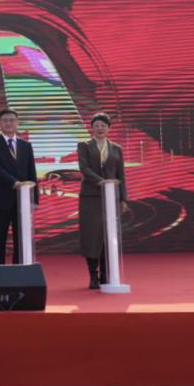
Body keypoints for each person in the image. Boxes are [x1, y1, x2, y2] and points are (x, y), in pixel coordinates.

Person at [77, 112, 130, 289]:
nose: (100, 128)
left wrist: (123, 199)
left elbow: (121, 175)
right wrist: (101, 181)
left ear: (109, 128)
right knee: (92, 236)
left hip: (111, 198)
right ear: (92, 128)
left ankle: (106, 275)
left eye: (103, 125)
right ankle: (93, 276)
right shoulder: (84, 146)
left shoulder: (116, 148)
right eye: (97, 125)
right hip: (90, 198)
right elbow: (84, 168)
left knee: (108, 236)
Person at [0, 108, 39, 265]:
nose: (9, 123)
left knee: (21, 240)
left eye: (12, 120)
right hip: (1, 199)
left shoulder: (25, 145)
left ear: (17, 122)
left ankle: (19, 271)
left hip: (22, 201)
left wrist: (34, 199)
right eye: (5, 120)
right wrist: (15, 183)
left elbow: (32, 172)